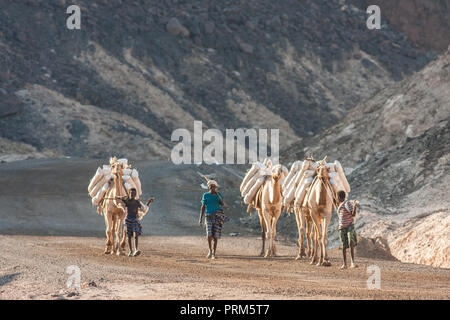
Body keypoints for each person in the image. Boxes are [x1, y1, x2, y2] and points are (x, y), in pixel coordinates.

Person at [117, 188, 153, 257]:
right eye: (131, 193)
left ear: (135, 194)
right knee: (129, 236)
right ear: (129, 194)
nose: (132, 194)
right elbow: (118, 199)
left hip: (135, 220)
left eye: (134, 193)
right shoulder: (127, 201)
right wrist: (120, 197)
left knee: (136, 235)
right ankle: (131, 251)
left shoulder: (137, 202)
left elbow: (144, 209)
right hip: (128, 220)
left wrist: (148, 202)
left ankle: (136, 250)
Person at [198, 180, 229, 259]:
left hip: (217, 216)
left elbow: (222, 204)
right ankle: (210, 251)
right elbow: (203, 207)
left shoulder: (219, 195)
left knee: (215, 236)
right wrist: (200, 219)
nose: (213, 188)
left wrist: (220, 198)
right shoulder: (205, 195)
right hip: (208, 216)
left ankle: (214, 254)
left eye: (214, 187)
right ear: (209, 187)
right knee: (209, 234)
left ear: (216, 187)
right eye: (211, 187)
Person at [337, 190, 358, 269]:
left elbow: (353, 214)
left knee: (351, 243)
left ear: (339, 197)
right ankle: (344, 264)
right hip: (342, 228)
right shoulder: (340, 205)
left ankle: (352, 262)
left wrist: (355, 206)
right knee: (343, 246)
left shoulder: (347, 204)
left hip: (349, 226)